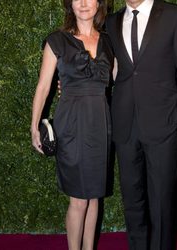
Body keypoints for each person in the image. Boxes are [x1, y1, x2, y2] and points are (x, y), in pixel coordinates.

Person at [105, 0, 177, 249]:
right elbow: (108, 68)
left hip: (164, 124)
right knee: (132, 202)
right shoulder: (111, 22)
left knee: (162, 201)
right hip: (124, 125)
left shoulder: (175, 16)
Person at [31, 0, 113, 249]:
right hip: (72, 126)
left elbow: (120, 79)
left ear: (99, 4)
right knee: (78, 200)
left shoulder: (109, 42)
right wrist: (34, 126)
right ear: (70, 5)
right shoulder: (57, 41)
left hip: (100, 124)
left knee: (94, 197)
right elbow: (44, 86)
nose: (84, 3)